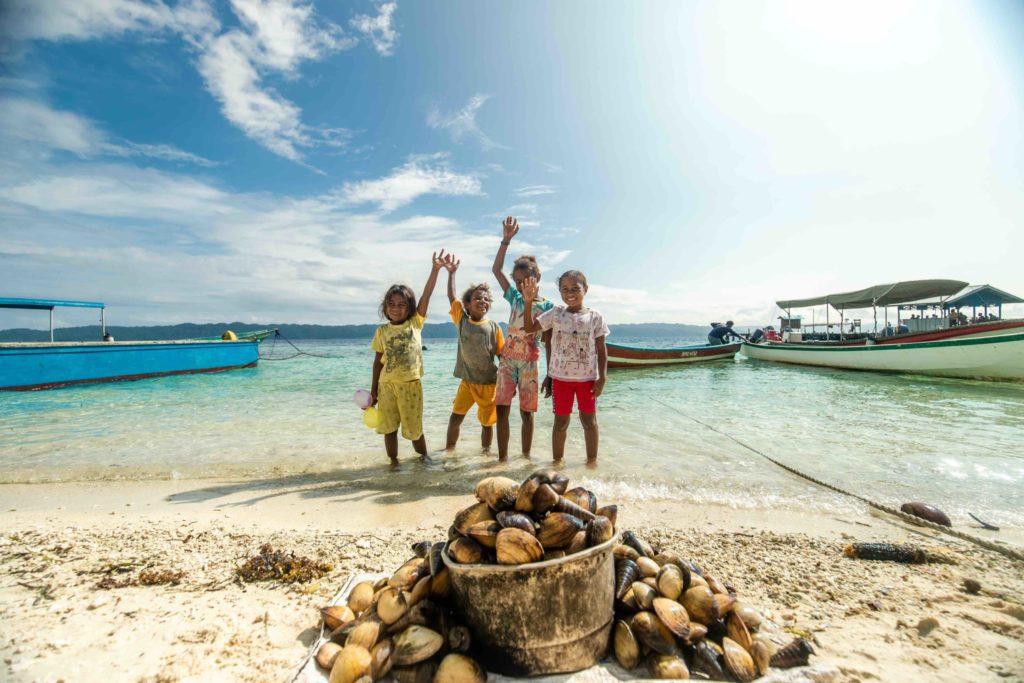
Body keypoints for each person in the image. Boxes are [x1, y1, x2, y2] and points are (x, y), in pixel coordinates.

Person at [522, 270, 608, 466]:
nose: (570, 293)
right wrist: (528, 301)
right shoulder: (556, 313)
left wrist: (602, 378)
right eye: (565, 289)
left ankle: (592, 463)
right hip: (561, 380)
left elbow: (602, 351)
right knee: (560, 424)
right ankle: (557, 462)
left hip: (587, 381)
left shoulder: (595, 317)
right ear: (559, 291)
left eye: (575, 288)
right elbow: (529, 327)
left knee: (589, 422)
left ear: (585, 289)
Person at [370, 250, 447, 464]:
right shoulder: (382, 332)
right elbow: (377, 363)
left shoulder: (415, 323)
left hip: (411, 386)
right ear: (385, 307)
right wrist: (374, 391)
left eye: (401, 304)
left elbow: (427, 295)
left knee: (414, 429)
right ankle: (393, 464)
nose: (395, 308)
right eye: (391, 304)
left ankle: (424, 458)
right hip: (386, 387)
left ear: (410, 308)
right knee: (389, 428)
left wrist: (435, 269)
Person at [490, 216, 554, 461]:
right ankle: (502, 459)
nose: (520, 284)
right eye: (516, 281)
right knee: (501, 409)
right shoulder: (514, 298)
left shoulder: (548, 306)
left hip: (530, 362)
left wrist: (551, 372)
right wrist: (505, 241)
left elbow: (544, 339)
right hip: (507, 361)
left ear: (537, 278)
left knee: (527, 413)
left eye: (525, 279)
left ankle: (525, 458)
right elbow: (496, 270)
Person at [443, 256, 505, 451]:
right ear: (467, 304)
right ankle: (449, 450)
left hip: (488, 383)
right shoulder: (462, 321)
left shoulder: (494, 327)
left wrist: (509, 381)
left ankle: (485, 453)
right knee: (455, 417)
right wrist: (452, 273)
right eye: (477, 298)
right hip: (467, 382)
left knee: (487, 424)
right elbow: (452, 297)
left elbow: (502, 357)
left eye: (486, 299)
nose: (482, 301)